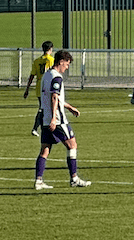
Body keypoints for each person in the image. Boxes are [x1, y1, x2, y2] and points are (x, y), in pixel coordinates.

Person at [34, 50, 90, 189]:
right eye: (67, 64)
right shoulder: (57, 77)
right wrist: (54, 118)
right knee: (72, 145)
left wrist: (69, 107)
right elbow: (54, 97)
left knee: (45, 149)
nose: (67, 67)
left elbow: (52, 98)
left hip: (45, 118)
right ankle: (74, 178)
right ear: (61, 61)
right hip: (58, 120)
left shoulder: (46, 76)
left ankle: (38, 181)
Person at [24, 40, 54, 135]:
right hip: (48, 85)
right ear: (50, 49)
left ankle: (42, 128)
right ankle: (36, 128)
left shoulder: (37, 61)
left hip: (39, 86)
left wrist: (27, 89)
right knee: (45, 108)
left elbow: (32, 75)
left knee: (44, 107)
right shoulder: (51, 60)